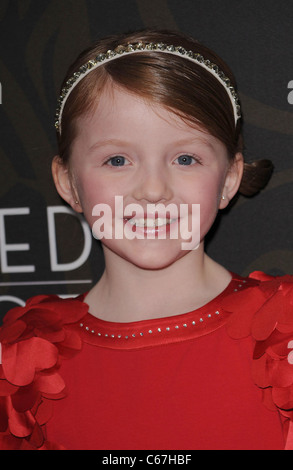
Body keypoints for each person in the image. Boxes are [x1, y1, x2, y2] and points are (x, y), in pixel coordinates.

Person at [0, 29, 292, 451]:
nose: (153, 189)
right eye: (117, 160)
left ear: (229, 179)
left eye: (185, 158)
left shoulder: (286, 335)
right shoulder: (21, 364)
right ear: (68, 181)